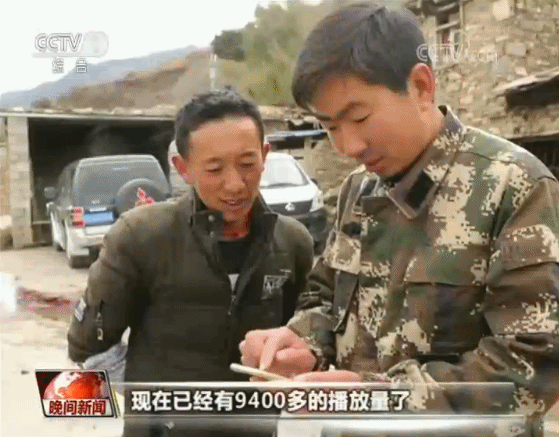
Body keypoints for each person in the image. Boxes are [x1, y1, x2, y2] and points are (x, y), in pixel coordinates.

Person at [240, 3, 559, 436]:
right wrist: (302, 341)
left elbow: (534, 364)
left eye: (359, 118)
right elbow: (326, 294)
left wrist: (383, 398)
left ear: (421, 86)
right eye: (330, 127)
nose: (348, 146)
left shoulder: (514, 185)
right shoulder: (358, 189)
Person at [67, 88, 315, 437]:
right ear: (183, 168)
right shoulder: (140, 236)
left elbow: (306, 335)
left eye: (247, 164)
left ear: (265, 155)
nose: (235, 184)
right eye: (214, 169)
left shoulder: (292, 242)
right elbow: (88, 346)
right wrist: (152, 407)